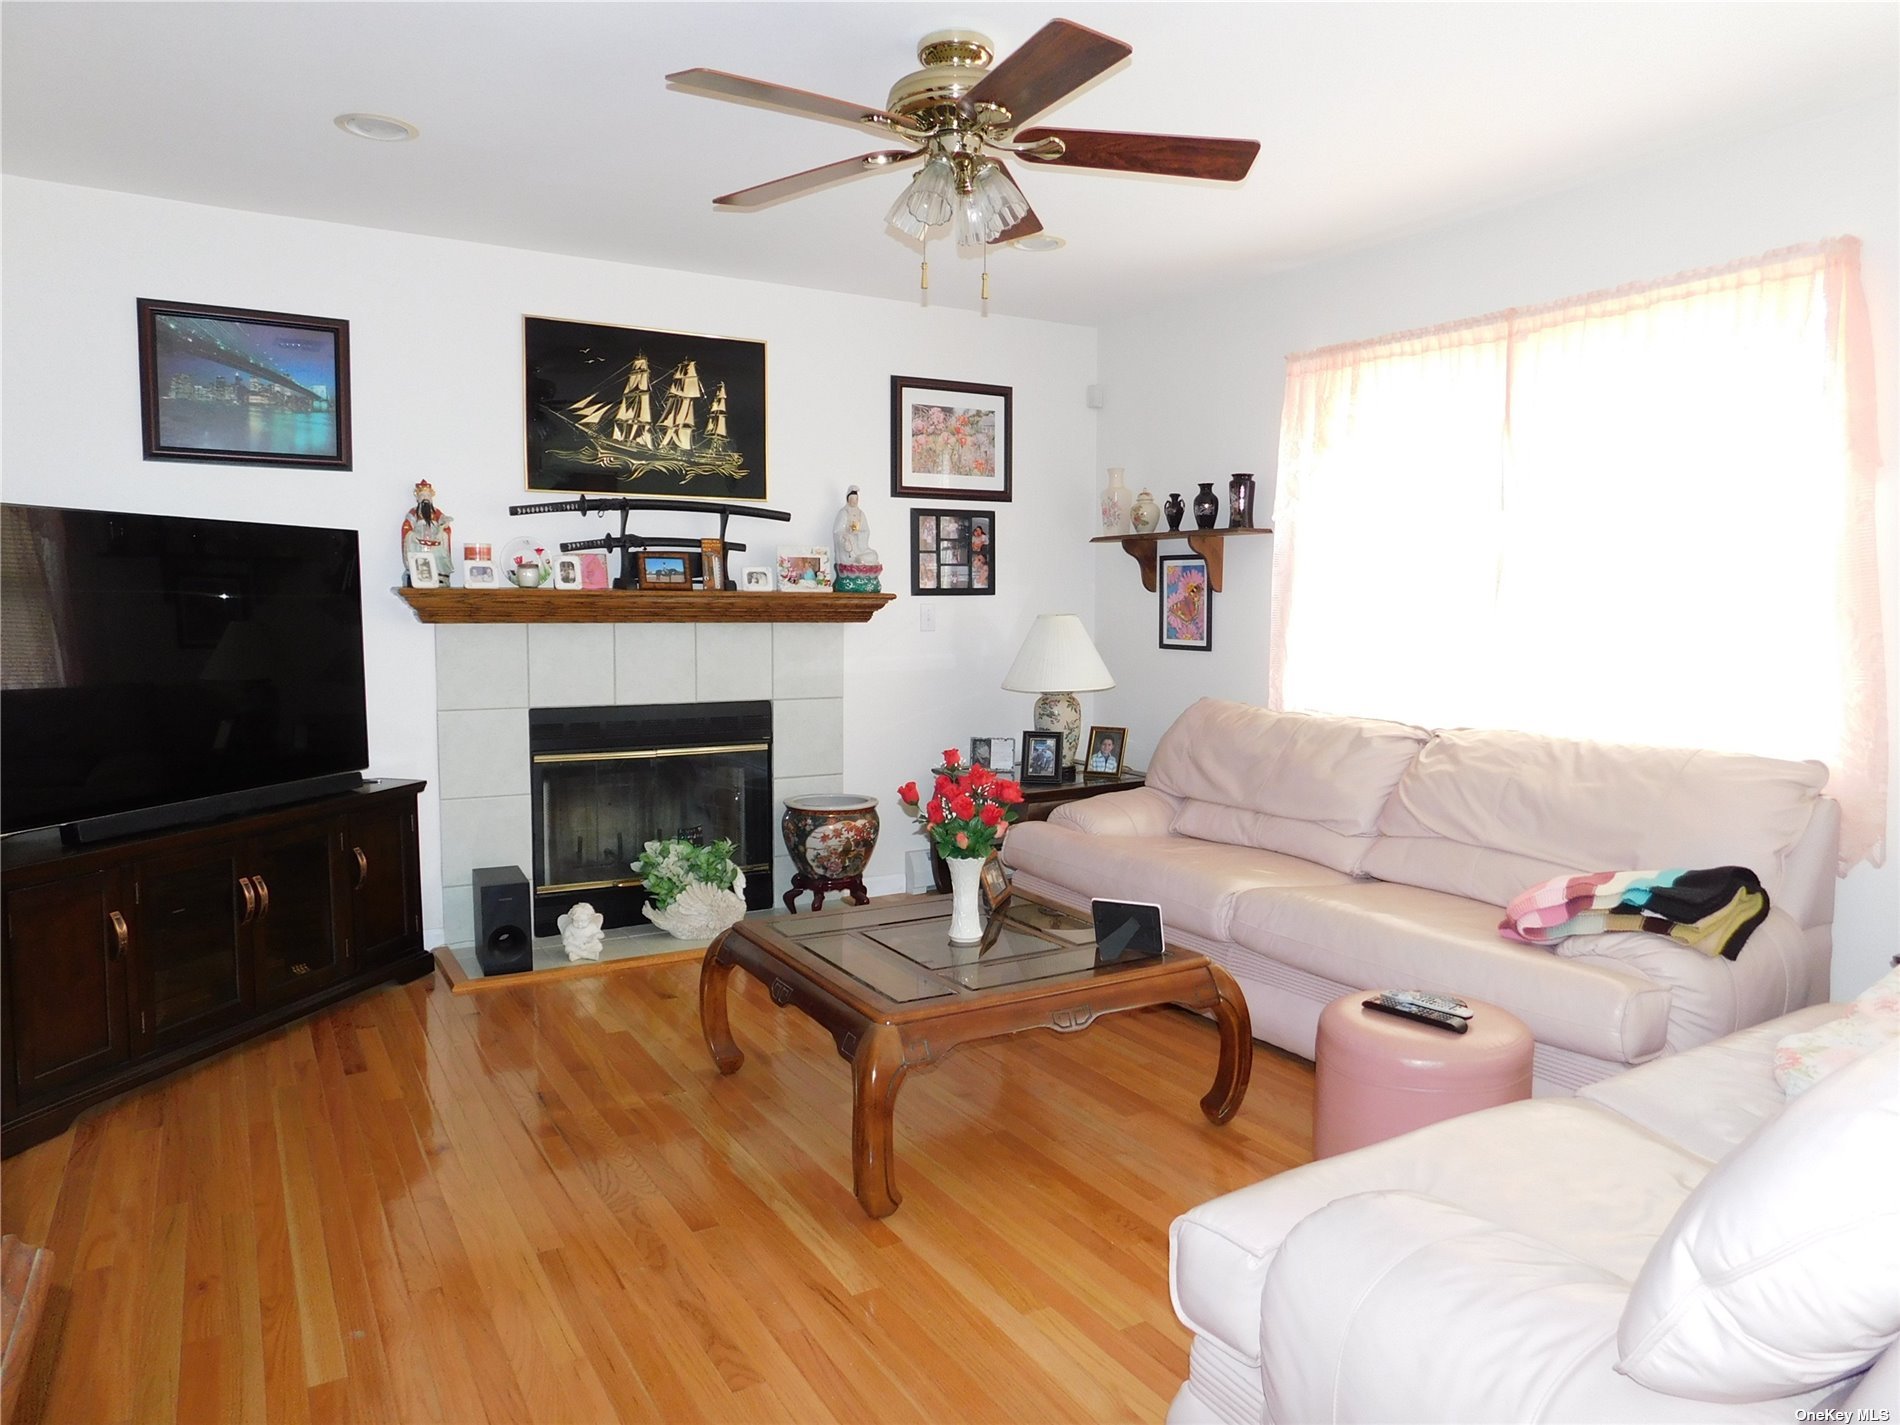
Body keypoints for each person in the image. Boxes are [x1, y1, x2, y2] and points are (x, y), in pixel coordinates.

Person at [400, 479, 454, 582]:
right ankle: (418, 574)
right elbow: (407, 526)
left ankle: (439, 574)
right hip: (419, 541)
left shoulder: (436, 512)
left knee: (438, 553)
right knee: (418, 555)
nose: (425, 498)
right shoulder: (414, 512)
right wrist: (411, 536)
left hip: (434, 540)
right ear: (418, 498)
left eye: (427, 496)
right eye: (422, 496)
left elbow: (444, 521)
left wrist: (443, 527)